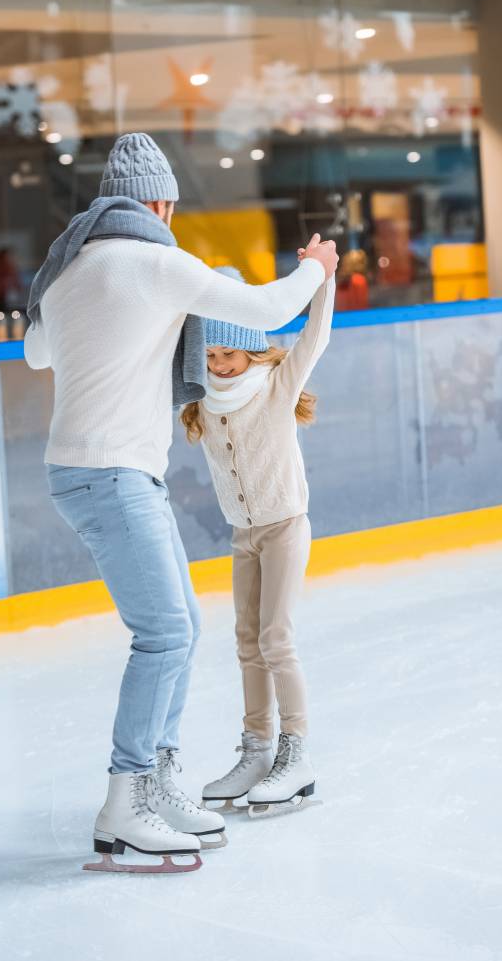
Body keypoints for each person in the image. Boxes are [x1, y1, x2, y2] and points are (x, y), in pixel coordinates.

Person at [23, 132, 338, 873]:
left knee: (183, 625)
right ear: (157, 202)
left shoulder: (70, 271)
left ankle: (158, 780)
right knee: (164, 634)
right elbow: (264, 308)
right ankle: (125, 797)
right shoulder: (156, 261)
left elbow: (37, 351)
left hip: (93, 473)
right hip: (113, 474)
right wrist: (315, 268)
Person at [180, 263, 335, 818]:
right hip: (243, 536)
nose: (220, 365)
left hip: (286, 527)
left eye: (230, 355)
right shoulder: (201, 399)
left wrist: (324, 278)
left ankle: (296, 755)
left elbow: (314, 336)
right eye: (211, 355)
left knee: (276, 639)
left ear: (251, 349)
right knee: (246, 642)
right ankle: (256, 749)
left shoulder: (274, 386)